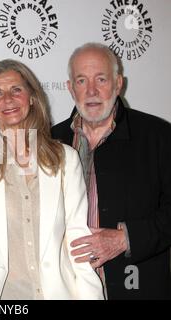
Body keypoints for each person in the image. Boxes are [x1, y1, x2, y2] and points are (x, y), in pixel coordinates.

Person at [0, 59, 104, 300]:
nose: (8, 99)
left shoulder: (65, 159)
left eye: (16, 89)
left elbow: (78, 240)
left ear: (32, 97)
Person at [52, 42, 171, 299]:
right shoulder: (50, 142)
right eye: (81, 81)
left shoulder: (159, 136)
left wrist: (125, 239)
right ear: (70, 88)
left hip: (137, 290)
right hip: (67, 290)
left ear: (118, 84)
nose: (91, 90)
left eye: (101, 79)